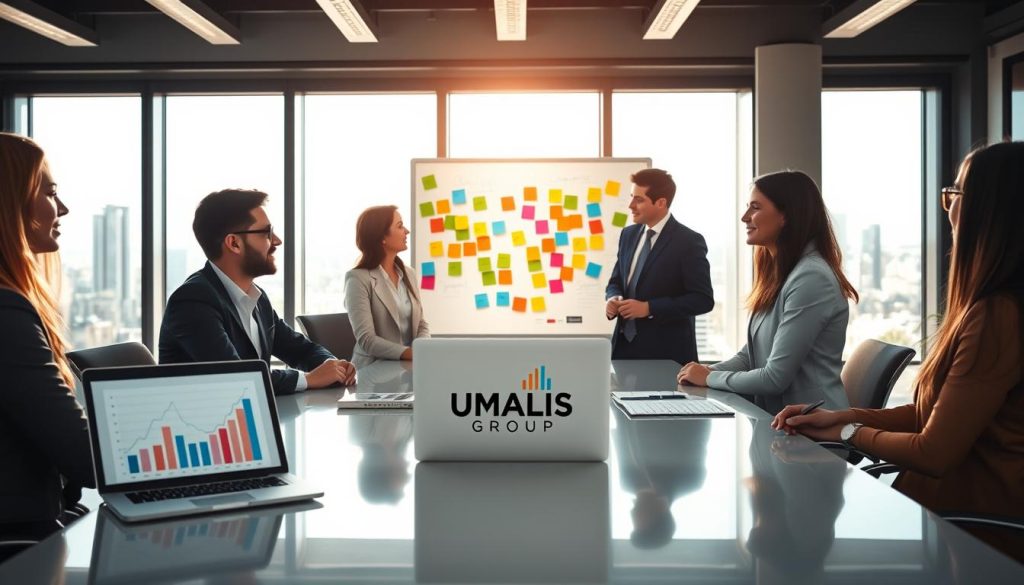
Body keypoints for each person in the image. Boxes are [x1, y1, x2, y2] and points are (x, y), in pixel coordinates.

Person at [773, 142, 1024, 562]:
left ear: (991, 212)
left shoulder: (999, 316)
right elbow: (939, 414)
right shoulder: (996, 308)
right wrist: (845, 416)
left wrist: (847, 435)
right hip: (954, 517)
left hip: (975, 534)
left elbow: (934, 452)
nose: (948, 208)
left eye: (955, 194)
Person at [677, 170, 857, 415]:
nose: (744, 217)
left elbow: (774, 378)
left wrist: (708, 379)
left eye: (755, 207)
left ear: (786, 216)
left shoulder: (811, 278)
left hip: (814, 432)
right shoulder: (782, 273)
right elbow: (750, 357)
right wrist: (704, 372)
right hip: (779, 424)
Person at [160, 188, 355, 394]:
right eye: (267, 233)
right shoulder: (192, 301)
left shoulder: (257, 299)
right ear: (234, 243)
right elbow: (237, 377)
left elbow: (301, 349)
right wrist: (308, 379)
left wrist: (333, 366)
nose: (277, 241)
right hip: (205, 423)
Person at [0, 133, 94, 546]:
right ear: (11, 201)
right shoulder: (6, 311)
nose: (64, 208)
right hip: (20, 541)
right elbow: (82, 454)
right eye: (51, 192)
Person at [605, 168, 714, 364]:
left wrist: (649, 308)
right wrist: (613, 298)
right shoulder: (628, 235)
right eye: (631, 197)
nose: (630, 205)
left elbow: (703, 300)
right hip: (622, 350)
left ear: (661, 202)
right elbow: (616, 280)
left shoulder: (689, 241)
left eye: (639, 200)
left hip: (667, 355)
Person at [344, 205, 429, 368]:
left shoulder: (409, 274)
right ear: (381, 237)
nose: (406, 231)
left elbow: (421, 324)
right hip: (373, 371)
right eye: (399, 226)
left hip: (408, 367)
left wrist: (422, 349)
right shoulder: (357, 278)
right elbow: (367, 340)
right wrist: (410, 353)